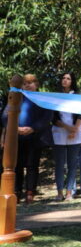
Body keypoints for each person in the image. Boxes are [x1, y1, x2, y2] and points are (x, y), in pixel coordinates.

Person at [1, 74, 53, 204]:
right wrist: (15, 129)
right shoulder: (15, 97)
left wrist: (33, 128)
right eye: (25, 83)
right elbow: (4, 117)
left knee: (32, 166)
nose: (27, 85)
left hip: (35, 137)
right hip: (16, 138)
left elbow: (47, 118)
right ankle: (16, 193)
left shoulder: (42, 99)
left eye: (31, 83)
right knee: (16, 166)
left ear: (37, 85)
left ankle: (30, 193)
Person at [51, 72, 81, 201]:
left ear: (72, 81)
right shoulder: (55, 96)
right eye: (63, 78)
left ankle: (70, 192)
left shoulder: (78, 96)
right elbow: (53, 118)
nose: (65, 80)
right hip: (59, 131)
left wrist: (74, 129)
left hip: (75, 132)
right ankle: (59, 193)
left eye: (68, 78)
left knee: (72, 164)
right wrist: (67, 127)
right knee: (59, 164)